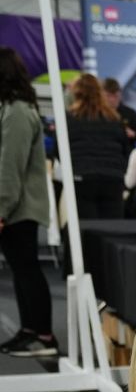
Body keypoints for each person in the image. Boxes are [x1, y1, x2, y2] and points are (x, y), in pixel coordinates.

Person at [0, 47, 57, 358]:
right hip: (15, 207)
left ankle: (44, 337)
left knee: (27, 270)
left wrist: (1, 209)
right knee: (21, 270)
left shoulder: (18, 111)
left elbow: (10, 167)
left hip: (19, 207)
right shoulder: (12, 108)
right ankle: (29, 330)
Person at [64, 74, 130, 219]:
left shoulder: (69, 118)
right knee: (112, 232)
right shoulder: (114, 118)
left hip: (82, 178)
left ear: (76, 93)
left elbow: (60, 151)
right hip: (113, 179)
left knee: (86, 232)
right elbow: (126, 150)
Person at [101, 77, 136, 142]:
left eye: (115, 96)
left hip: (125, 150)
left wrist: (134, 134)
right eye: (108, 96)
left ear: (120, 94)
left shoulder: (130, 113)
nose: (112, 100)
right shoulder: (96, 114)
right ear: (101, 95)